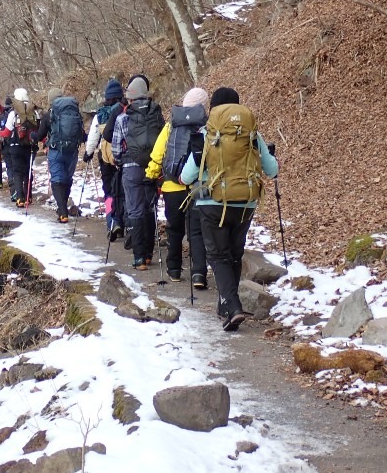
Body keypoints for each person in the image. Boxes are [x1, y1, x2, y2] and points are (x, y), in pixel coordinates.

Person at [180, 87, 278, 332]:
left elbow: (186, 175)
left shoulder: (206, 134)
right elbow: (272, 170)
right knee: (234, 254)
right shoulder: (252, 136)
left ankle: (232, 306)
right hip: (245, 203)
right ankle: (226, 306)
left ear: (213, 109)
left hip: (211, 203)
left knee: (217, 255)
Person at [146, 87, 209, 286]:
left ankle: (173, 269)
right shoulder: (206, 126)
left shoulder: (171, 125)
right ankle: (198, 273)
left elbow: (158, 153)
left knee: (174, 230)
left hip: (172, 186)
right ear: (204, 106)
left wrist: (151, 174)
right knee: (196, 231)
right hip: (197, 187)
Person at [111, 77, 164, 270]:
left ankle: (139, 257)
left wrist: (120, 160)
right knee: (150, 208)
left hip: (131, 168)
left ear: (130, 97)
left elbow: (116, 148)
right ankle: (149, 253)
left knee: (135, 210)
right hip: (153, 168)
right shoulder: (156, 114)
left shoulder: (122, 118)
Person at [101, 74, 150, 250]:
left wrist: (91, 153)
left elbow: (105, 135)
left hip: (118, 161)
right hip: (149, 163)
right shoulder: (153, 110)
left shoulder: (111, 113)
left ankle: (114, 222)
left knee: (113, 193)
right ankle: (144, 244)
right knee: (145, 204)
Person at [35, 88, 85, 223]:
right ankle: (62, 208)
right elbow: (82, 133)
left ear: (51, 100)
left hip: (56, 151)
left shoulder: (49, 115)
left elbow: (40, 136)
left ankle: (63, 212)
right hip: (73, 151)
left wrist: (34, 136)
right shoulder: (74, 112)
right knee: (67, 179)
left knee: (57, 180)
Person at [83, 79, 124, 240]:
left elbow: (94, 137)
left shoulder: (100, 114)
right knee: (123, 190)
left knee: (108, 191)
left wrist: (88, 153)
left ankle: (112, 222)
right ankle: (125, 221)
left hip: (106, 158)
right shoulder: (125, 110)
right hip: (124, 157)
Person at [0, 88, 39, 207]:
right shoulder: (34, 111)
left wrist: (0, 134)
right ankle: (28, 197)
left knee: (17, 172)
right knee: (27, 171)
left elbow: (7, 132)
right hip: (29, 146)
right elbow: (39, 130)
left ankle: (20, 199)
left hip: (15, 146)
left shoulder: (13, 112)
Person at [0, 96, 16, 201]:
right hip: (16, 145)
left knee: (9, 167)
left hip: (5, 146)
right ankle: (19, 191)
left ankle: (13, 189)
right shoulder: (15, 113)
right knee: (17, 168)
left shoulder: (2, 116)